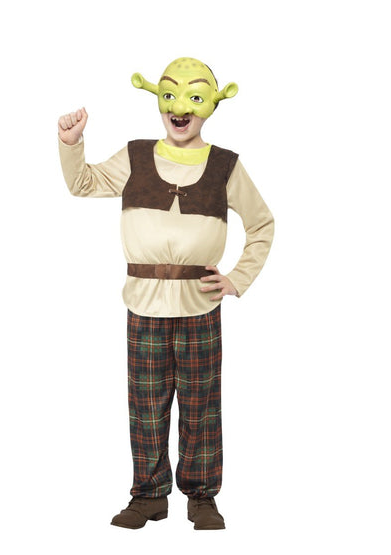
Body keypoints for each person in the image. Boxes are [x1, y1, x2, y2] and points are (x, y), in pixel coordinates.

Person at [58, 57, 274, 530]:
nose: (180, 110)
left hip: (200, 304)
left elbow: (261, 223)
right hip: (144, 304)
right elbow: (83, 183)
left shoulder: (225, 166)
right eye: (171, 96)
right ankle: (149, 495)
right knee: (146, 404)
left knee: (201, 404)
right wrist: (71, 145)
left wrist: (238, 278)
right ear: (159, 100)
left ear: (211, 105)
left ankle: (202, 496)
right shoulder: (135, 156)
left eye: (194, 98)